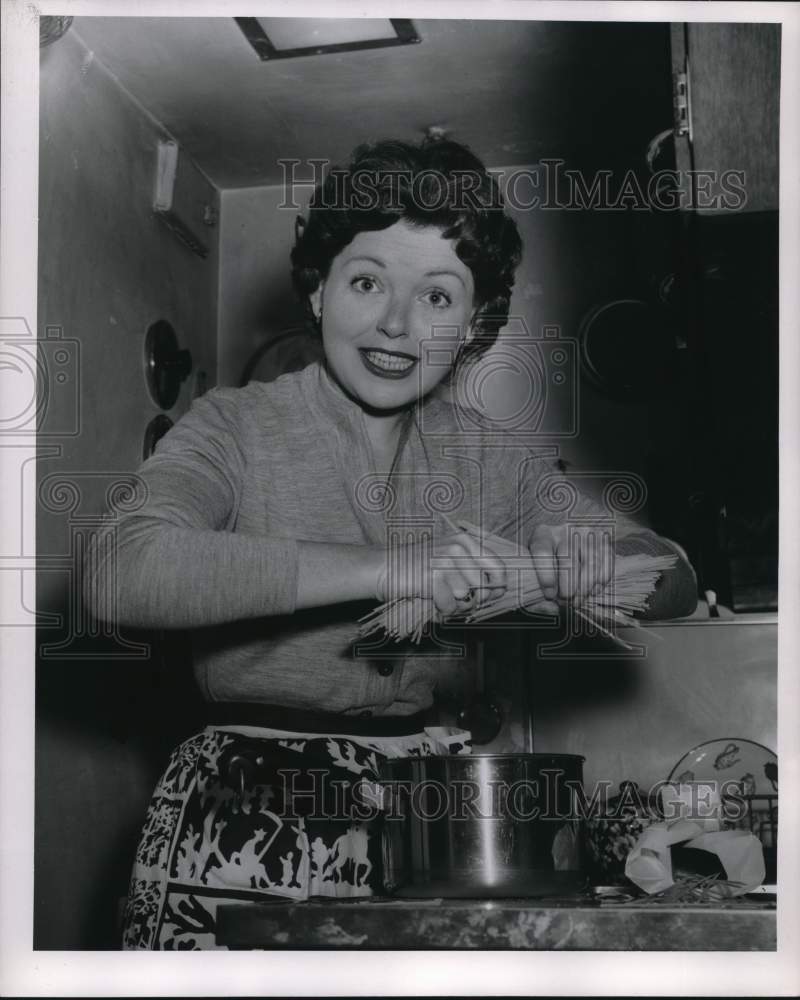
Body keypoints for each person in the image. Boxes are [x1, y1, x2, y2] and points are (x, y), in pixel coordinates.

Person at [85, 136, 697, 950]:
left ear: (474, 323)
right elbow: (121, 571)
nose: (397, 325)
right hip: (232, 824)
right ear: (317, 292)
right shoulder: (232, 427)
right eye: (367, 282)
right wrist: (395, 568)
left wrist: (582, 568)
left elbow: (674, 576)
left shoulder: (490, 458)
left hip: (432, 825)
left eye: (438, 298)